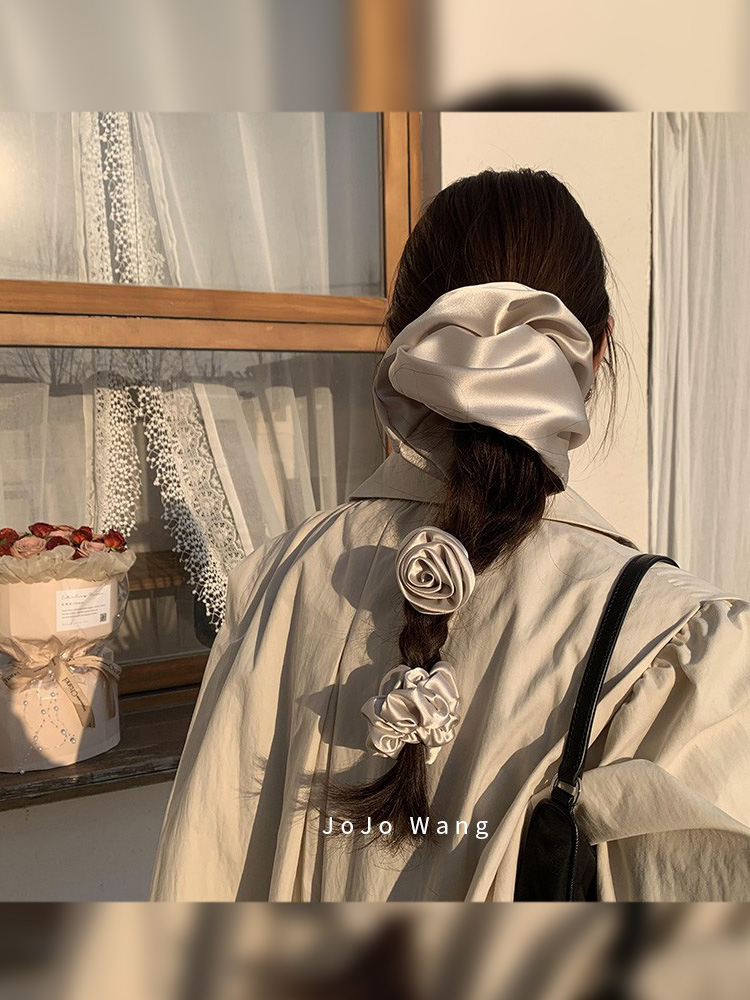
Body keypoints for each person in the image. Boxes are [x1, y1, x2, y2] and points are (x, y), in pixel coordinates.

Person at [150, 168, 750, 902]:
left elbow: (199, 864)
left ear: (403, 343)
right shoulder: (667, 643)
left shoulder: (278, 578)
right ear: (597, 351)